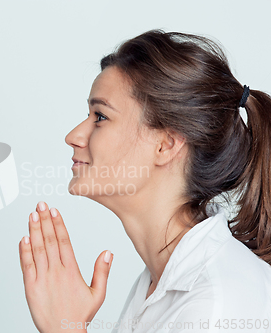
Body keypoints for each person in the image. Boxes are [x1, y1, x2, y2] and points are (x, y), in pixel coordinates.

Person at [19, 30, 271, 333]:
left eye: (99, 117)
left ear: (165, 145)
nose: (73, 137)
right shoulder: (157, 281)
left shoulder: (218, 305)